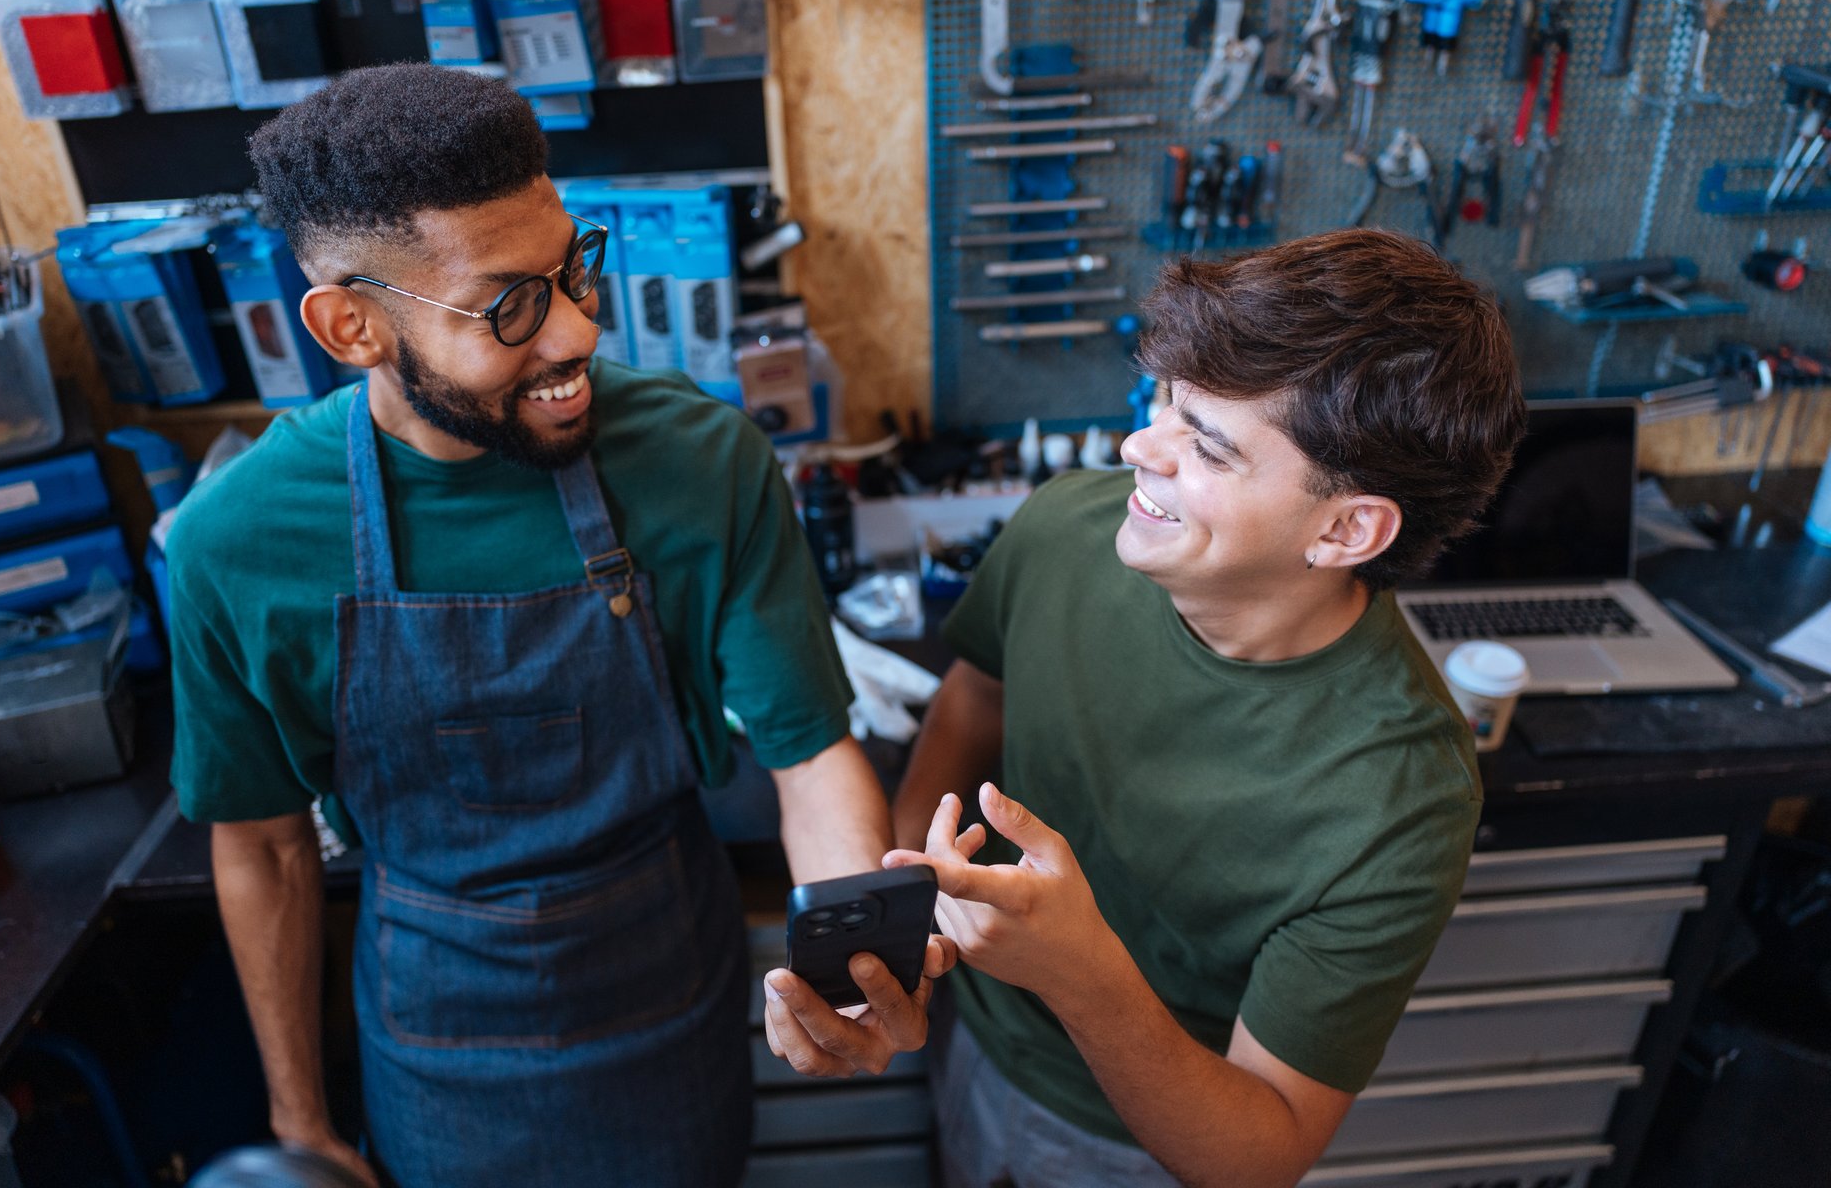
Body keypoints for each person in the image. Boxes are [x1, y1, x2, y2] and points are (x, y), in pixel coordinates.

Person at [165, 64, 944, 1188]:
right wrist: (299, 1115)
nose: (577, 329)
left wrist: (848, 975)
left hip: (668, 997)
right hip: (437, 1044)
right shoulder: (235, 544)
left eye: (573, 268)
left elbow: (811, 756)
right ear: (352, 327)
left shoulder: (698, 460)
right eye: (509, 306)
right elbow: (265, 846)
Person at [886, 229, 1528, 1188]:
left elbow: (1260, 1154)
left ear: (1347, 527)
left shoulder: (1401, 798)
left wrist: (1080, 972)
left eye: (1210, 448)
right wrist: (904, 921)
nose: (1138, 447)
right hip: (959, 1032)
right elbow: (973, 702)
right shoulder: (1068, 525)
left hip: (1130, 1136)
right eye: (1164, 402)